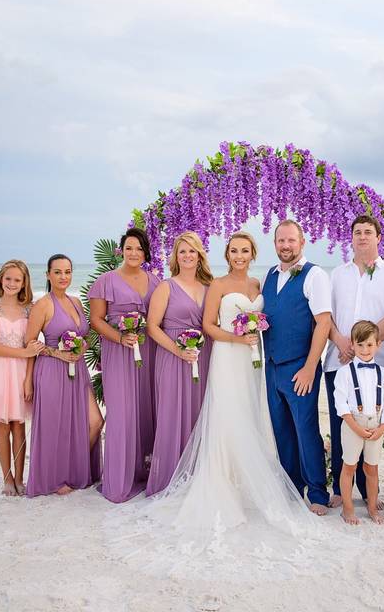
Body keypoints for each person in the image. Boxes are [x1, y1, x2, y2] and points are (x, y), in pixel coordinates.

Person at [142, 231, 318, 548]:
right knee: (228, 413)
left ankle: (251, 479)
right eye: (234, 251)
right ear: (227, 255)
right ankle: (225, 480)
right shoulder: (219, 286)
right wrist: (239, 339)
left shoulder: (258, 285)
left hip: (255, 360)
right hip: (227, 356)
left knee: (252, 412)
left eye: (245, 251)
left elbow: (269, 318)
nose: (239, 255)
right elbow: (209, 326)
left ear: (252, 254)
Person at [325, 215, 384, 509]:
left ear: (378, 238)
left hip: (377, 364)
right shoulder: (337, 274)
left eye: (368, 232)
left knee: (371, 423)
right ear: (351, 238)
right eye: (357, 232)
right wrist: (340, 342)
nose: (362, 237)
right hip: (339, 360)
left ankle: (368, 488)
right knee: (342, 424)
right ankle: (339, 488)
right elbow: (327, 317)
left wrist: (362, 345)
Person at [261, 220, 332, 515]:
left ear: (302, 242)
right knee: (282, 431)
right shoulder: (269, 274)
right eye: (280, 241)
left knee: (305, 430)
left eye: (291, 240)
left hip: (300, 367)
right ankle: (291, 488)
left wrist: (309, 367)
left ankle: (317, 492)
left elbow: (324, 322)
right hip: (272, 366)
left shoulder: (314, 275)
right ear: (275, 243)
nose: (285, 246)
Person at [88, 228, 160, 503]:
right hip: (118, 353)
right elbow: (96, 320)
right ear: (121, 250)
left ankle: (144, 471)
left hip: (149, 352)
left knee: (145, 408)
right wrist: (120, 337)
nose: (133, 253)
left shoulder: (155, 282)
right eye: (129, 248)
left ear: (145, 253)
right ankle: (118, 479)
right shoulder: (105, 281)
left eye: (139, 249)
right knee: (122, 411)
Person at [24, 254, 104, 497]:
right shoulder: (43, 305)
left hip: (77, 370)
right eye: (57, 272)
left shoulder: (77, 302)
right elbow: (29, 343)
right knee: (56, 427)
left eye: (67, 271)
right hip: (51, 370)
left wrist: (84, 348)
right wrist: (55, 354)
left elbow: (86, 335)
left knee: (95, 422)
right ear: (48, 275)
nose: (63, 276)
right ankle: (57, 478)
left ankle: (74, 469)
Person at [144, 231, 213, 496]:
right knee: (173, 415)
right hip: (173, 358)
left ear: (199, 256)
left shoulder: (208, 288)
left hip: (201, 357)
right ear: (176, 256)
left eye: (192, 251)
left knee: (198, 414)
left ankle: (194, 478)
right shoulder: (166, 287)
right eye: (182, 251)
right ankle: (167, 480)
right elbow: (152, 327)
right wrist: (178, 351)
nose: (187, 256)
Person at [0, 260, 44, 496]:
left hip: (22, 372)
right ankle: (7, 478)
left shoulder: (30, 309)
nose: (12, 283)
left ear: (24, 283)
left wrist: (28, 378)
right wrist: (22, 352)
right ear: (0, 279)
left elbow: (32, 347)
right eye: (8, 279)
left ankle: (20, 478)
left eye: (17, 280)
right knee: (3, 425)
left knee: (20, 425)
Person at [333, 320, 384, 525]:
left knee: (372, 468)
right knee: (349, 466)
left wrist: (383, 427)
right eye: (360, 345)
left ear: (378, 344)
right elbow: (341, 405)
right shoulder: (344, 373)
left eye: (369, 345)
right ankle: (348, 508)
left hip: (376, 425)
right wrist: (356, 427)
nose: (365, 349)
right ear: (352, 345)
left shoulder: (383, 374)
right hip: (352, 424)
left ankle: (372, 507)